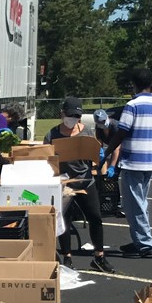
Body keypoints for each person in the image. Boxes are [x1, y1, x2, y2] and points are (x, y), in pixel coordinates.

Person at [44, 98, 114, 273]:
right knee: (64, 220)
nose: (72, 119)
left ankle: (99, 256)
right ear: (62, 114)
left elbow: (96, 156)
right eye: (69, 115)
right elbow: (46, 158)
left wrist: (103, 170)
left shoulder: (87, 132)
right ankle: (67, 257)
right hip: (64, 182)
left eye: (76, 116)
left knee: (95, 217)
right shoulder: (52, 135)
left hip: (85, 180)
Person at [105, 68, 152, 259]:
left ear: (134, 85)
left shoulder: (132, 106)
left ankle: (146, 244)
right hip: (150, 161)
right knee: (141, 202)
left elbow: (122, 132)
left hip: (133, 161)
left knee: (134, 204)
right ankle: (139, 239)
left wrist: (107, 153)